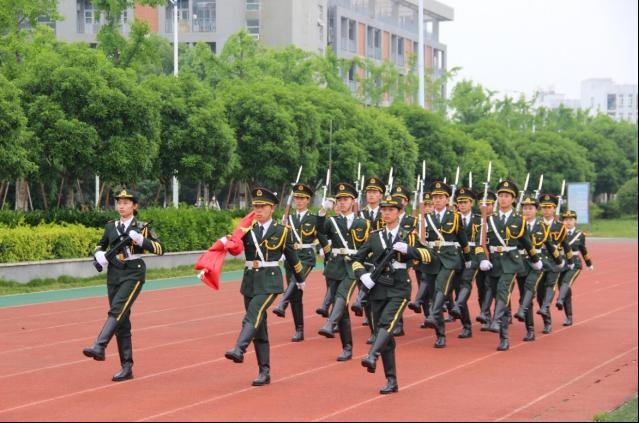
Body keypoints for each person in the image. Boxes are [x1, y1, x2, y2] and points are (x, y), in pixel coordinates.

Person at [224, 187, 306, 386]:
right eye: (256, 206)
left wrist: (300, 279)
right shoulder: (247, 229)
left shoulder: (282, 231)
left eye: (263, 206)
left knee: (253, 314)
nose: (258, 210)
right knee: (259, 327)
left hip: (270, 281)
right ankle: (264, 371)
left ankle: (239, 348)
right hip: (250, 281)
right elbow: (235, 247)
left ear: (272, 208)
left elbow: (293, 257)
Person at [353, 195, 432, 394]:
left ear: (399, 212)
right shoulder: (375, 236)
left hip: (399, 288)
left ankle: (372, 355)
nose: (387, 213)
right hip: (377, 288)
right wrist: (363, 276)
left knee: (386, 323)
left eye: (391, 210)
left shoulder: (409, 235)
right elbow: (356, 259)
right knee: (384, 334)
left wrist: (409, 250)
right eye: (384, 210)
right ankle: (391, 380)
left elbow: (430, 256)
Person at [83, 189, 165, 382]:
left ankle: (100, 345)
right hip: (114, 273)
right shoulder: (111, 226)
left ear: (134, 206)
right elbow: (100, 245)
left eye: (126, 203)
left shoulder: (142, 227)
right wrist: (98, 254)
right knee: (121, 320)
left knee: (117, 309)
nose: (121, 206)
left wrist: (141, 240)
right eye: (119, 202)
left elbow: (161, 248)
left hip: (133, 272)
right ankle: (126, 367)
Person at [477, 180, 542, 351]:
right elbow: (480, 243)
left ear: (513, 199)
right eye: (500, 196)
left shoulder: (518, 220)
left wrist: (535, 260)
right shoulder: (489, 219)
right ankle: (504, 338)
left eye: (506, 196)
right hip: (494, 261)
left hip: (512, 261)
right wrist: (482, 258)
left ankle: (495, 320)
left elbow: (526, 242)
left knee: (503, 290)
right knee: (502, 299)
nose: (503, 199)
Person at [408, 180, 470, 349]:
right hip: (432, 258)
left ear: (447, 199)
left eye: (441, 197)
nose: (437, 200)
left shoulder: (454, 217)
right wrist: (416, 258)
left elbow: (463, 239)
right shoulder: (425, 218)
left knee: (441, 286)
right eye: (435, 197)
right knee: (434, 294)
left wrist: (468, 258)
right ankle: (440, 334)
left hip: (450, 258)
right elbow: (420, 242)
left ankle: (433, 314)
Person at [316, 182, 371, 361]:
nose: (342, 202)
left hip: (353, 266)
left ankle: (330, 323)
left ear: (353, 201)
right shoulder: (332, 221)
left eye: (345, 199)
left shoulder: (363, 223)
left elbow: (368, 246)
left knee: (342, 294)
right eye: (339, 199)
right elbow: (319, 230)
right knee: (342, 308)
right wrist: (322, 212)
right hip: (335, 266)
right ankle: (347, 348)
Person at [272, 183, 328, 342]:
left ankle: (282, 303)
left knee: (296, 280)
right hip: (291, 257)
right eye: (297, 198)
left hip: (306, 257)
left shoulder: (314, 218)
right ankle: (299, 329)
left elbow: (322, 235)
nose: (299, 201)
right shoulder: (288, 218)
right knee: (296, 295)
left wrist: (326, 252)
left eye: (302, 198)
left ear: (308, 200)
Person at [535, 193, 574, 334]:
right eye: (544, 207)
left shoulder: (559, 226)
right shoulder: (536, 224)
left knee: (550, 285)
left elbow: (565, 244)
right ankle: (546, 318)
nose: (546, 210)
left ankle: (545, 309)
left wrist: (570, 261)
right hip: (540, 259)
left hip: (554, 260)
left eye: (549, 207)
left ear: (554, 209)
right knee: (539, 291)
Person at [556, 210, 594, 326]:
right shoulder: (557, 233)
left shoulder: (580, 235)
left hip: (575, 263)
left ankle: (559, 299)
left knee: (566, 282)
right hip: (561, 262)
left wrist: (589, 263)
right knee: (563, 288)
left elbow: (583, 250)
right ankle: (569, 317)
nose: (568, 222)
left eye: (570, 220)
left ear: (575, 221)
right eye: (565, 220)